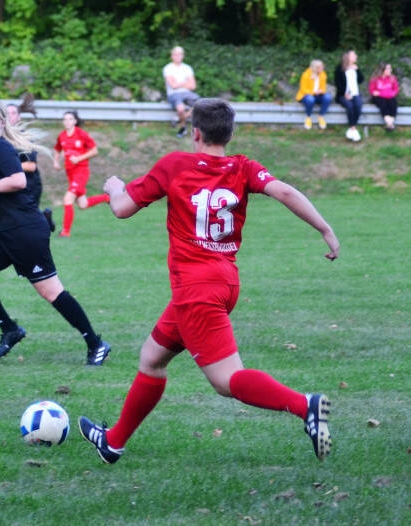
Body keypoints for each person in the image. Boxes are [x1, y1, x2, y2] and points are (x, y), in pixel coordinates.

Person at [78, 98, 339, 465]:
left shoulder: (175, 165)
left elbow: (122, 209)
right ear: (228, 134)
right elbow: (284, 191)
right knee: (152, 358)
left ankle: (305, 406)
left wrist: (114, 186)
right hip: (225, 282)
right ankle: (114, 442)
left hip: (195, 290)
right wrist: (325, 229)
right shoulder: (243, 167)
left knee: (225, 380)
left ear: (195, 132)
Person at [0, 100, 111, 366]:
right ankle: (10, 329)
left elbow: (18, 180)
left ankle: (95, 343)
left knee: (51, 292)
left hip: (26, 231)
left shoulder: (3, 148)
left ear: (3, 122)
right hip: (2, 230)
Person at [52, 110, 109, 237]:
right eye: (65, 119)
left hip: (81, 172)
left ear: (75, 121)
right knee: (83, 204)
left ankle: (65, 232)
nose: (67, 121)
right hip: (70, 173)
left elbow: (94, 150)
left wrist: (79, 158)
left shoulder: (81, 134)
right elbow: (57, 149)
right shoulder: (62, 136)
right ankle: (106, 197)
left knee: (68, 199)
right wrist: (56, 162)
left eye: (70, 119)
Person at [5, 94, 56, 231]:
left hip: (29, 185)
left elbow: (31, 166)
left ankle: (43, 219)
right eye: (6, 113)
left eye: (13, 113)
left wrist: (5, 168)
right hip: (12, 185)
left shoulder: (24, 138)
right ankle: (43, 218)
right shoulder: (0, 138)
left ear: (19, 117)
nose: (10, 116)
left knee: (25, 222)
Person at [162, 46, 200, 138]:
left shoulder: (187, 68)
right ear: (172, 56)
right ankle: (183, 127)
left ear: (183, 56)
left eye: (179, 54)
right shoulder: (168, 68)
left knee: (201, 105)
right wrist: (185, 82)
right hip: (174, 94)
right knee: (180, 108)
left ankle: (178, 118)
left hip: (187, 93)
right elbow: (173, 86)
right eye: (175, 54)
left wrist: (178, 83)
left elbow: (193, 86)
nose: (177, 56)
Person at [334, 50, 364, 141]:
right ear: (348, 57)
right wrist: (345, 94)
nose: (356, 56)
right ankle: (353, 129)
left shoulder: (355, 67)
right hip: (343, 95)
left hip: (355, 94)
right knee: (350, 106)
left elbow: (361, 80)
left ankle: (352, 128)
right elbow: (337, 83)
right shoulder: (340, 68)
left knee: (358, 105)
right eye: (354, 55)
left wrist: (357, 70)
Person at [295, 59, 332, 130]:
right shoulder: (306, 75)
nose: (322, 68)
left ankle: (321, 116)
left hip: (318, 95)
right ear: (316, 68)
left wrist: (321, 91)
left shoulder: (323, 74)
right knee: (310, 99)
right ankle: (308, 117)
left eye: (322, 67)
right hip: (307, 95)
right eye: (321, 67)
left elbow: (324, 88)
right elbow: (303, 89)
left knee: (328, 97)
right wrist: (313, 92)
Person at [369, 62, 399, 131]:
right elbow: (372, 90)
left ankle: (389, 124)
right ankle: (390, 124)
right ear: (383, 70)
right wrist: (380, 93)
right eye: (388, 69)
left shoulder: (392, 78)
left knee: (393, 103)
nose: (390, 70)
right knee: (382, 103)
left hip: (389, 97)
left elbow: (396, 89)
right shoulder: (375, 79)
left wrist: (391, 94)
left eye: (390, 68)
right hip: (379, 98)